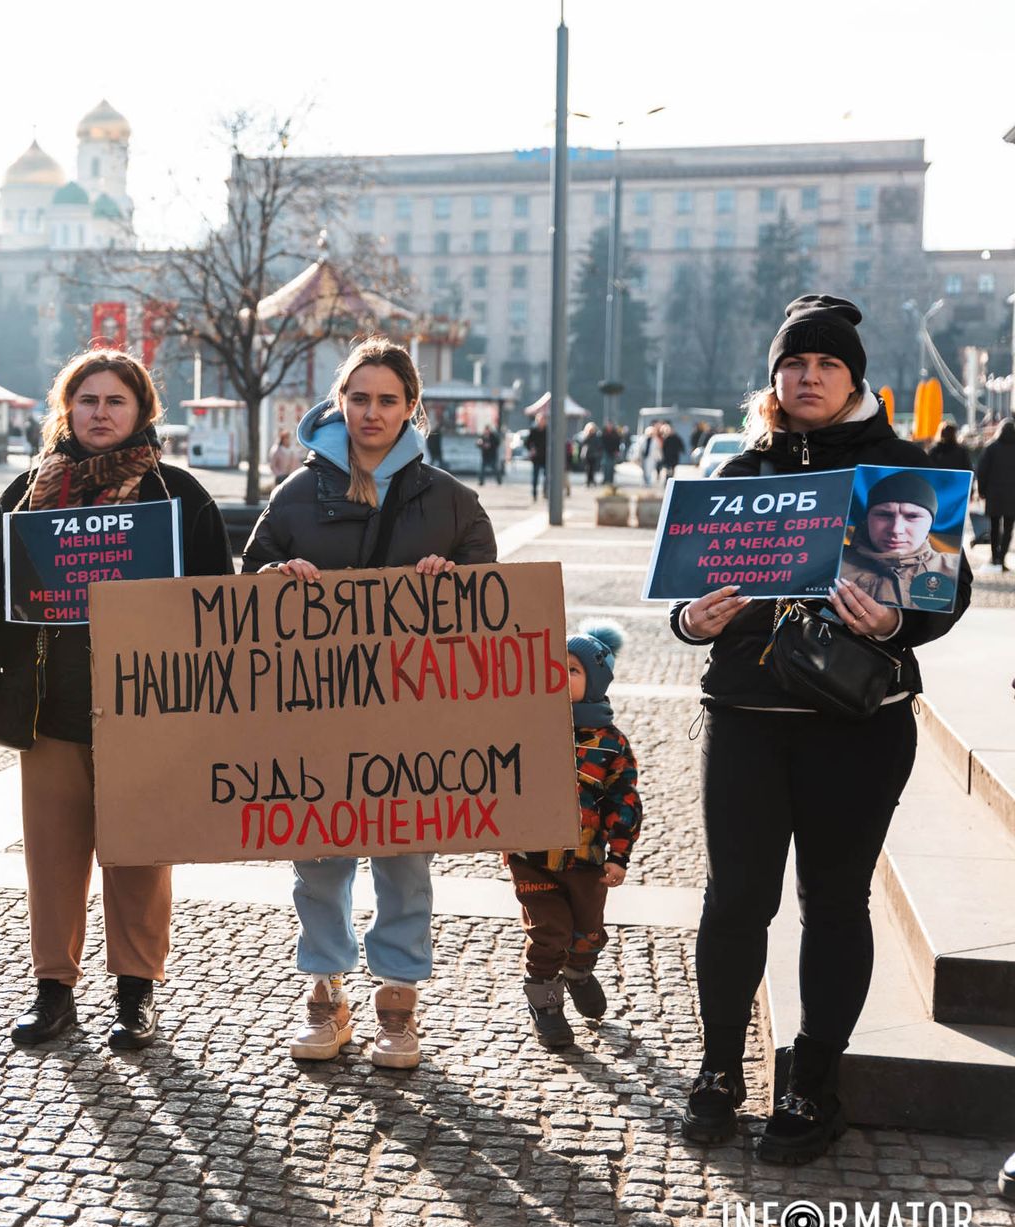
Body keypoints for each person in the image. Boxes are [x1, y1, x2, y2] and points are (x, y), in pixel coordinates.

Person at [673, 295, 972, 1164]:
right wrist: (695, 620)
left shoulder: (900, 471)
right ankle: (720, 1071)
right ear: (773, 380)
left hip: (857, 725)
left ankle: (814, 1084)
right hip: (746, 721)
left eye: (825, 365)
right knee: (734, 901)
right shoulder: (741, 473)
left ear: (853, 379)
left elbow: (941, 598)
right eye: (793, 365)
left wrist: (891, 626)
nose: (808, 377)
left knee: (834, 904)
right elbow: (684, 607)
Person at [0, 348, 233, 1052]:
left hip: (145, 710)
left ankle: (135, 995)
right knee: (52, 860)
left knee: (139, 854)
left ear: (142, 411)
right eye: (88, 401)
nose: (101, 413)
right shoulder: (30, 493)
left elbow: (218, 602)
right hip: (49, 705)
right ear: (67, 409)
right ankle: (53, 990)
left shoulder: (177, 495)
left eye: (116, 401)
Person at [240, 336, 496, 1066]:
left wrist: (457, 581)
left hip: (413, 714)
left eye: (387, 400)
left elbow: (492, 603)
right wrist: (273, 580)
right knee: (317, 858)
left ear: (411, 407)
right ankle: (324, 996)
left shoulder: (452, 501)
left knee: (404, 858)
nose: (371, 413)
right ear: (339, 403)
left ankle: (397, 1004)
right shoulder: (297, 495)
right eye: (358, 399)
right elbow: (247, 583)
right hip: (314, 711)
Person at [506, 623, 641, 1049]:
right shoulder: (525, 727)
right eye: (552, 669)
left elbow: (624, 801)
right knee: (549, 933)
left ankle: (580, 970)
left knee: (586, 932)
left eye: (573, 670)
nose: (560, 677)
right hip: (533, 856)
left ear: (596, 681)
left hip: (586, 862)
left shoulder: (611, 745)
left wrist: (618, 856)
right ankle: (545, 1004)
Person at [838, 470, 963, 612]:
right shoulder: (831, 565)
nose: (896, 529)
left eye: (912, 516)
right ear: (867, 519)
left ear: (930, 523)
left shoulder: (952, 569)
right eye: (884, 515)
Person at [977, 418, 1015, 571]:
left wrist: (981, 490)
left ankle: (994, 557)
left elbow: (982, 471)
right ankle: (1002, 557)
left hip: (994, 494)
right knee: (1008, 528)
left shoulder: (991, 448)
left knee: (994, 526)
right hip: (1013, 495)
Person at [525, 418, 549, 500]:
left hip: (546, 458)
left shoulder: (548, 431)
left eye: (543, 420)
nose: (542, 422)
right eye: (540, 420)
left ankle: (545, 492)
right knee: (535, 477)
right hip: (536, 458)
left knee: (547, 477)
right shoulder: (534, 431)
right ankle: (534, 493)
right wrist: (531, 449)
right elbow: (527, 442)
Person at [657, 421, 686, 486]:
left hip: (674, 457)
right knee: (667, 469)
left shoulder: (676, 438)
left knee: (672, 469)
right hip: (667, 457)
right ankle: (667, 481)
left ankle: (670, 480)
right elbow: (663, 448)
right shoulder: (666, 438)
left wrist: (682, 450)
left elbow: (681, 445)